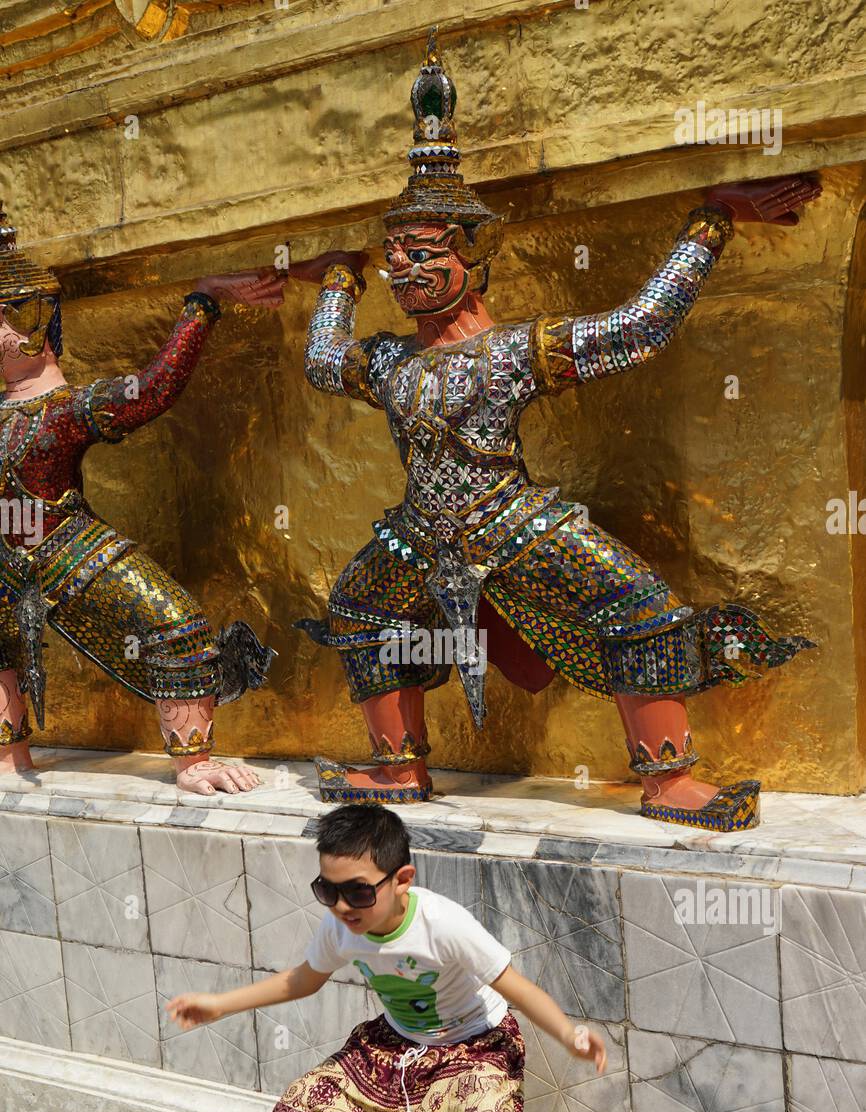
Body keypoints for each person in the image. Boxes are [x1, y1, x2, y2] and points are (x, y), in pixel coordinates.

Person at [289, 28, 819, 831]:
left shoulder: (518, 350)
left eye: (424, 253)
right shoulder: (390, 359)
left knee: (641, 607)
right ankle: (398, 763)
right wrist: (337, 275)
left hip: (512, 521)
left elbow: (641, 326)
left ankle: (668, 778)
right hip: (418, 532)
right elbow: (323, 361)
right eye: (393, 257)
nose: (404, 271)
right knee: (358, 610)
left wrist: (711, 223)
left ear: (474, 258)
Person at [167, 801, 607, 1112]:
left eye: (356, 890)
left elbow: (517, 987)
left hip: (474, 1046)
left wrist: (570, 1036)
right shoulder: (340, 926)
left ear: (401, 878)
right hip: (394, 1046)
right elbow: (301, 981)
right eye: (326, 890)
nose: (341, 905)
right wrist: (219, 1005)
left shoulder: (444, 923)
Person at [0, 202, 284, 794]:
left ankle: (192, 758)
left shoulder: (67, 408)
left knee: (173, 625)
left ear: (33, 321)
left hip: (61, 542)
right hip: (3, 559)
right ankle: (8, 757)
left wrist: (202, 303)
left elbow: (155, 388)